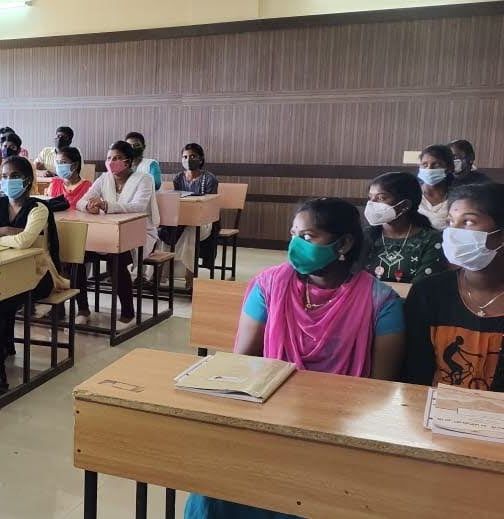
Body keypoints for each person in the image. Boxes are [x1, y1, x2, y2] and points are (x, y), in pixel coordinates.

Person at [188, 198, 406, 518]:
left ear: (344, 242)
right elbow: (243, 362)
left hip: (343, 429)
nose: (295, 245)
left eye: (307, 238)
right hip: (272, 414)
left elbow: (380, 392)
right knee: (215, 487)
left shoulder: (380, 301)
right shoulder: (271, 284)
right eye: (293, 235)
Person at [0, 156, 70, 392]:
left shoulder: (38, 208)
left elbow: (24, 241)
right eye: (3, 176)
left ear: (27, 180)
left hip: (37, 275)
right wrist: (3, 230)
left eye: (14, 176)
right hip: (2, 270)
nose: (7, 181)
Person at [402, 183, 504, 390]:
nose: (453, 232)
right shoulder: (428, 293)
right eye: (450, 222)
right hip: (431, 411)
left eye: (468, 221)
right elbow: (413, 373)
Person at [78, 141, 160, 323]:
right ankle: (83, 309)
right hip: (107, 233)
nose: (111, 162)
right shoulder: (103, 179)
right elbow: (81, 201)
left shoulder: (144, 179)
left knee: (117, 259)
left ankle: (128, 312)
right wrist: (88, 207)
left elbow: (139, 206)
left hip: (138, 233)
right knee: (77, 257)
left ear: (128, 161)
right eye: (109, 158)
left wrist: (106, 205)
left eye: (117, 158)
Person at [363, 172, 445, 284]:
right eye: (370, 197)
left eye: (381, 198)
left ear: (405, 205)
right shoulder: (365, 236)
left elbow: (421, 287)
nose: (372, 204)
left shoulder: (431, 240)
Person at [46, 147, 93, 324]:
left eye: (63, 163)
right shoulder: (55, 184)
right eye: (57, 163)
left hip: (82, 238)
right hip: (57, 235)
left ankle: (83, 309)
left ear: (75, 165)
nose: (59, 166)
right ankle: (57, 309)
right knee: (49, 259)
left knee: (75, 261)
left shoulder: (88, 186)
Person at [169, 143, 220, 286]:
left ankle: (190, 278)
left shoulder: (210, 179)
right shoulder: (178, 178)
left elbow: (211, 205)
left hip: (205, 222)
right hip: (182, 220)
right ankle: (158, 276)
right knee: (165, 233)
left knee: (191, 230)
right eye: (185, 157)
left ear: (201, 159)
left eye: (192, 156)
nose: (188, 159)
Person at [418, 144, 456, 231]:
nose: (429, 169)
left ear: (449, 168)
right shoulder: (411, 194)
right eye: (424, 164)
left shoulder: (458, 197)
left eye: (436, 164)